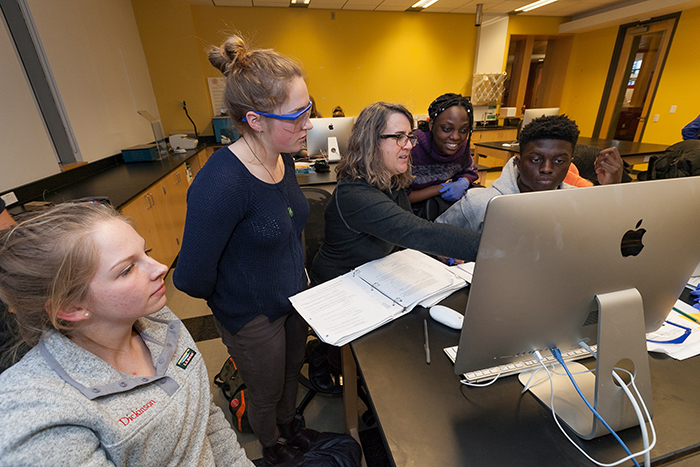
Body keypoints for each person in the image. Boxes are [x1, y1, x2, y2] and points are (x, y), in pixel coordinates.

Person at [0, 203, 253, 466]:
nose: (161, 268)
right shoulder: (39, 414)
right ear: (71, 307)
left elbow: (204, 418)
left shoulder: (160, 320)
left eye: (146, 252)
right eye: (127, 269)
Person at [172, 36, 316, 466]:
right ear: (254, 119)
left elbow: (287, 224)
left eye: (309, 108)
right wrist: (241, 303)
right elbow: (191, 277)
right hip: (252, 313)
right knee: (266, 388)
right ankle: (271, 444)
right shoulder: (220, 184)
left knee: (293, 373)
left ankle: (289, 425)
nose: (309, 123)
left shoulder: (282, 157)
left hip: (293, 296)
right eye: (296, 115)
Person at [435, 114, 624, 233]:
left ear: (569, 165)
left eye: (559, 161)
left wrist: (611, 190)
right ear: (519, 162)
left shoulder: (580, 202)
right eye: (535, 159)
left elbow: (604, 238)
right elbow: (434, 237)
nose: (547, 168)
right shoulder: (481, 203)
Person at [407, 93, 479, 220]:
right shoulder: (412, 148)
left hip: (443, 212)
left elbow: (469, 172)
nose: (456, 137)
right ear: (431, 125)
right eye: (447, 129)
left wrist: (464, 182)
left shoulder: (462, 148)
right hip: (410, 215)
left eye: (463, 130)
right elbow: (401, 196)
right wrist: (440, 188)